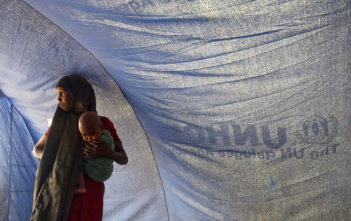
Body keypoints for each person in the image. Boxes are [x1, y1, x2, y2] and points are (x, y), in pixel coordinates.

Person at [31, 75, 128, 221]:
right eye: (58, 94)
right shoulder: (59, 126)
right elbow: (37, 150)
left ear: (78, 95)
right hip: (62, 192)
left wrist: (108, 152)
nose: (59, 99)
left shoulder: (101, 123)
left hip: (90, 196)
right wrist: (65, 156)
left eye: (63, 94)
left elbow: (123, 158)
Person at [76, 111, 115, 194]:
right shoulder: (105, 134)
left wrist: (80, 155)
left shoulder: (101, 140)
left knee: (77, 163)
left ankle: (81, 186)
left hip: (100, 170)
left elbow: (89, 154)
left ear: (101, 128)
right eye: (85, 136)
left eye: (92, 134)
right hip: (106, 169)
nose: (89, 138)